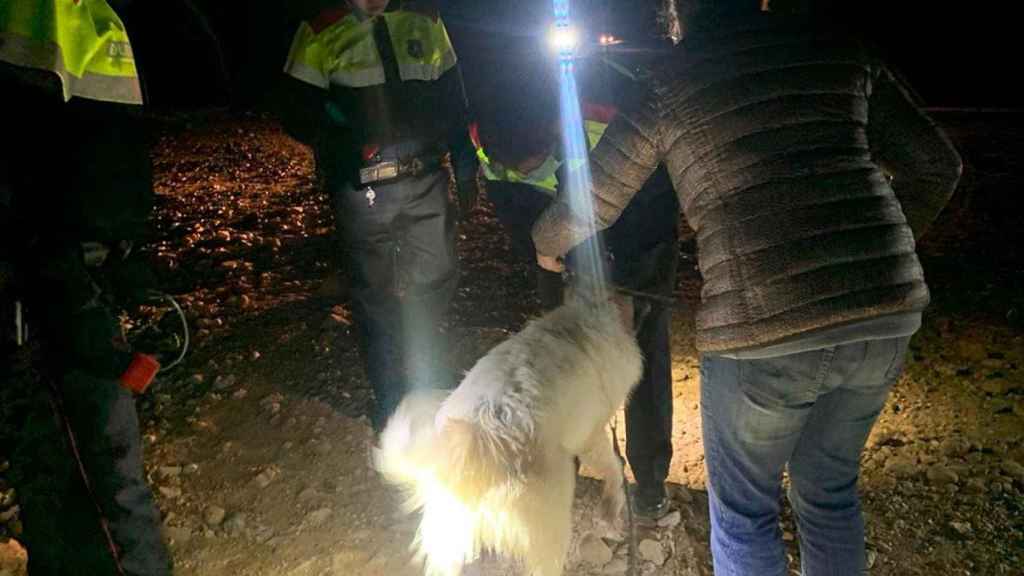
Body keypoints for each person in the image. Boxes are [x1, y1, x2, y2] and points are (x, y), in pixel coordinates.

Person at [531, 0, 962, 573]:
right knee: (830, 492)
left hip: (763, 326)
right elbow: (938, 165)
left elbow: (596, 200)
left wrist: (545, 242)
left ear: (680, 11)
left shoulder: (670, 78)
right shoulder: (836, 45)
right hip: (883, 313)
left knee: (744, 512)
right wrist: (881, 249)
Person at [0, 1, 172, 574]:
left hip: (79, 274)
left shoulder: (94, 16)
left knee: (102, 471)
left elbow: (108, 159)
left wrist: (124, 262)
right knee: (93, 475)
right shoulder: (49, 16)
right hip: (47, 282)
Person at [473, 50, 680, 520]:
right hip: (563, 238)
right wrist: (552, 267)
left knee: (640, 356)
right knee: (565, 357)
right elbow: (515, 208)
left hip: (639, 236)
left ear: (552, 129)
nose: (527, 171)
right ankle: (563, 466)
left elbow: (653, 202)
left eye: (534, 161)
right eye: (518, 165)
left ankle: (649, 482)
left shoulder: (608, 116)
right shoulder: (489, 135)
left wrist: (623, 286)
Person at [278, 0, 479, 432]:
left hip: (426, 176)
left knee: (437, 280)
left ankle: (430, 380)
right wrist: (345, 138)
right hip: (361, 186)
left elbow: (453, 96)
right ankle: (392, 399)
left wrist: (465, 162)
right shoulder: (321, 27)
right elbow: (295, 111)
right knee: (375, 296)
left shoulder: (426, 19)